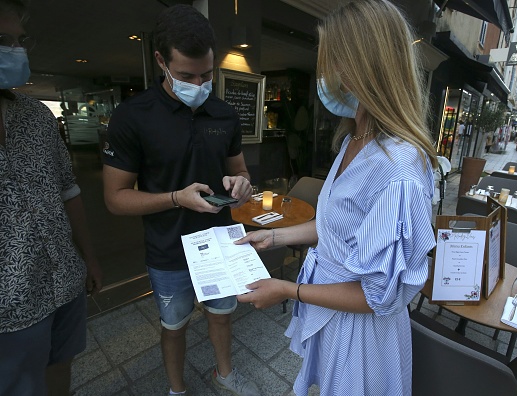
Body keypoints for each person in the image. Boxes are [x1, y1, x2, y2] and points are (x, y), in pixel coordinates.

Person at [235, 1, 437, 394]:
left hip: (359, 334)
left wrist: (286, 289)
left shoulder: (398, 169)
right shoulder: (353, 139)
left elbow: (375, 294)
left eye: (333, 62)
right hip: (330, 310)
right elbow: (337, 228)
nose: (325, 75)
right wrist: (274, 236)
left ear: (364, 66)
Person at [102, 5, 258, 396]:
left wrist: (240, 186)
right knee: (174, 324)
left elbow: (242, 173)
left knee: (223, 315)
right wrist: (175, 198)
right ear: (161, 61)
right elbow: (115, 199)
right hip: (168, 248)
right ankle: (177, 390)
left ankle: (225, 375)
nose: (199, 83)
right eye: (187, 75)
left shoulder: (223, 113)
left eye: (206, 74)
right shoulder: (132, 117)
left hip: (222, 240)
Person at [0, 0, 102, 394]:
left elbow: (68, 190)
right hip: (10, 304)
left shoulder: (37, 115)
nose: (15, 50)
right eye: (2, 40)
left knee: (61, 366)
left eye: (19, 40)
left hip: (64, 279)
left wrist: (89, 258)